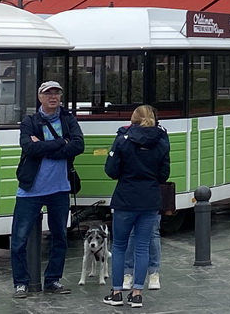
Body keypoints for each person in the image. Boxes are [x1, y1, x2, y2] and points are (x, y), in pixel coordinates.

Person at [10, 81, 84, 299]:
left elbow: (79, 145)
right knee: (19, 239)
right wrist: (61, 142)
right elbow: (29, 148)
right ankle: (21, 283)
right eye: (48, 93)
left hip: (60, 189)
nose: (53, 97)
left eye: (57, 93)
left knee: (60, 237)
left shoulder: (68, 119)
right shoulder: (30, 121)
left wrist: (46, 148)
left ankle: (53, 280)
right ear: (40, 97)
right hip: (31, 190)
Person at [103, 105, 170, 308]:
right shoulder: (161, 141)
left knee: (120, 246)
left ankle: (116, 293)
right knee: (142, 247)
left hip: (125, 198)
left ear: (133, 119)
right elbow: (163, 175)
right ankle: (137, 293)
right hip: (149, 199)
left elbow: (111, 170)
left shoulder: (123, 139)